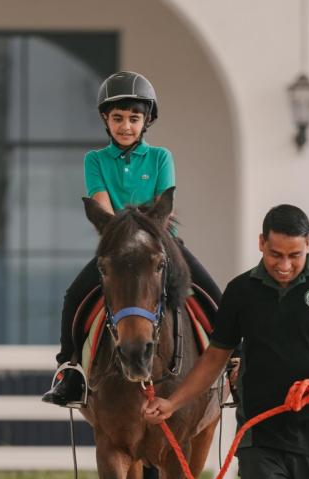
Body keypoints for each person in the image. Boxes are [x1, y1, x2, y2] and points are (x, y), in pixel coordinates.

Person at [143, 204, 309, 479]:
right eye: (276, 254)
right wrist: (172, 403)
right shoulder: (240, 290)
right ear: (261, 242)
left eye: (295, 255)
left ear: (308, 245)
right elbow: (215, 357)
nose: (285, 265)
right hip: (259, 437)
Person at [42, 71, 221, 406]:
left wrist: (141, 231)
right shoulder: (94, 160)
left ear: (147, 120)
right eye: (118, 118)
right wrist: (119, 233)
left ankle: (235, 365)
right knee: (73, 297)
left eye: (134, 119)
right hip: (118, 245)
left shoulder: (160, 157)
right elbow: (101, 203)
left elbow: (161, 207)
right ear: (105, 120)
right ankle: (69, 371)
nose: (126, 126)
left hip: (160, 242)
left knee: (214, 295)